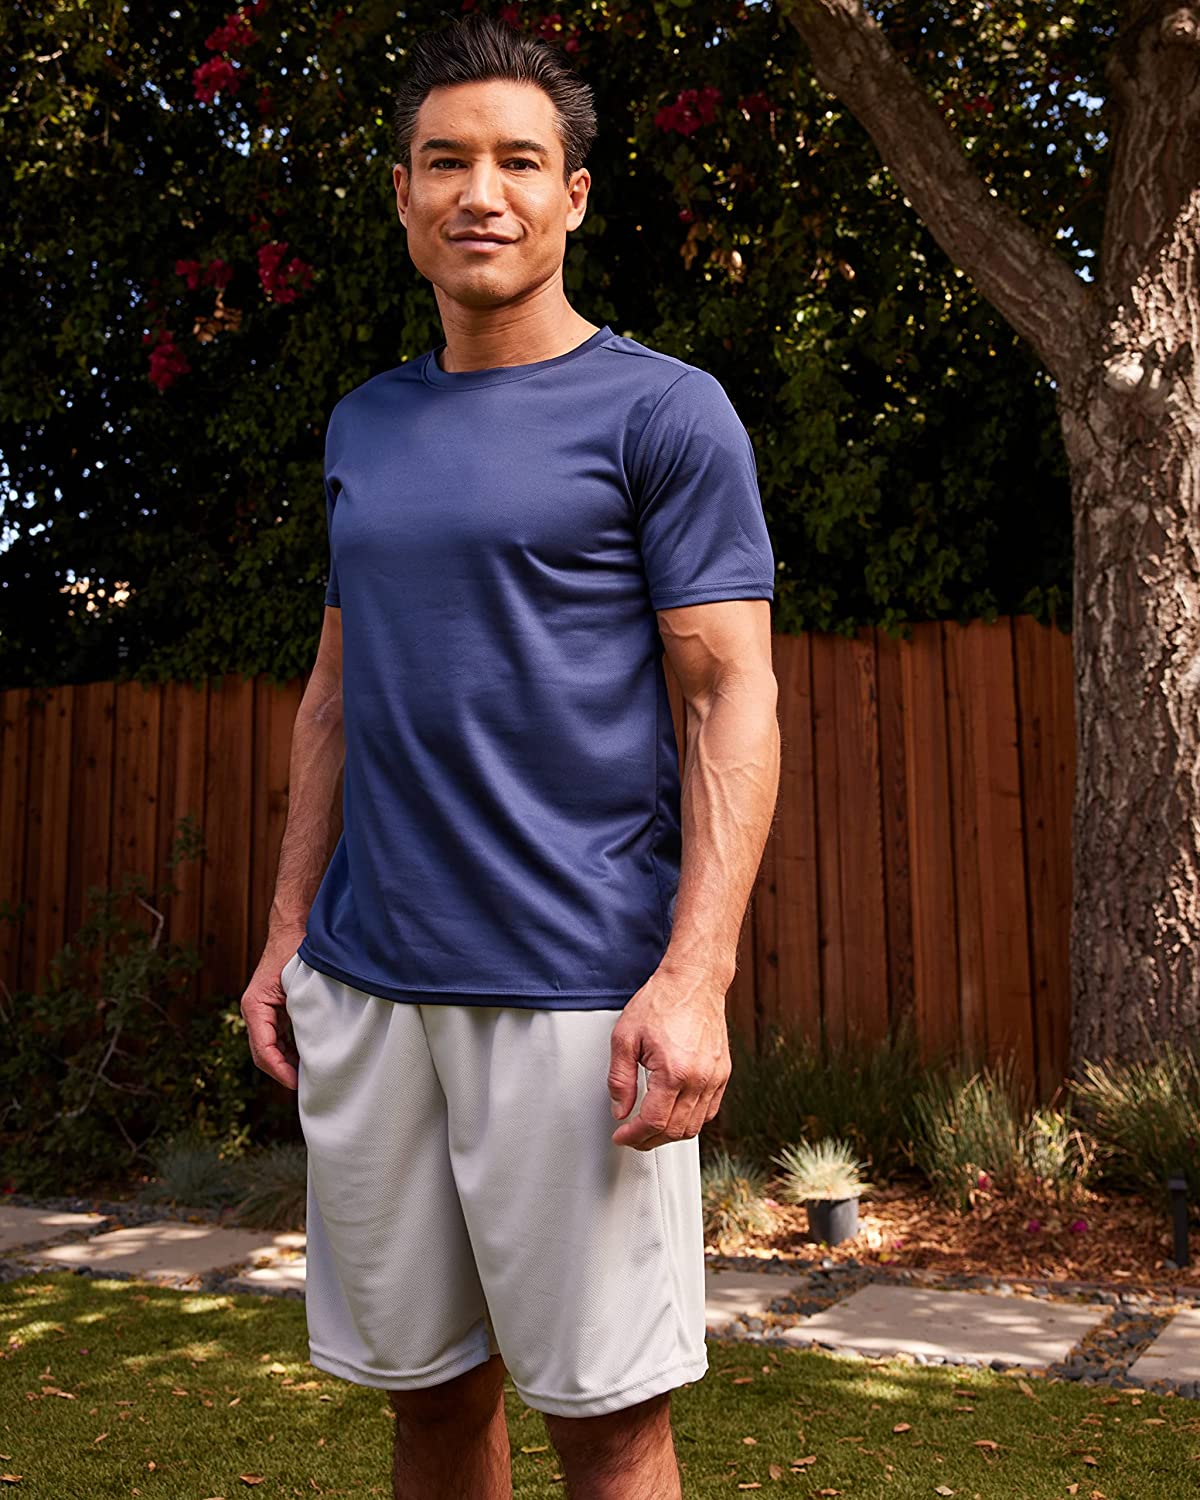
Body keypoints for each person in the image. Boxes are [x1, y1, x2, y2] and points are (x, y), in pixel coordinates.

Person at [240, 12, 780, 1498]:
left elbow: (731, 696)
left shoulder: (665, 413)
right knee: (427, 1403)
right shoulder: (366, 423)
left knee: (608, 1427)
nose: (481, 192)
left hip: (573, 995)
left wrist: (695, 978)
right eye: (446, 161)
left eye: (519, 162)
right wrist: (288, 932)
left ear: (574, 196)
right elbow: (336, 691)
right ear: (404, 195)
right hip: (369, 984)